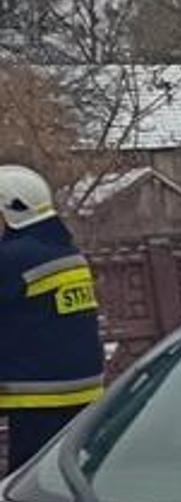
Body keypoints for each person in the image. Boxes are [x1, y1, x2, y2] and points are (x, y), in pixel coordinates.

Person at [0, 165, 105, 473]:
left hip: (38, 396)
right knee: (72, 477)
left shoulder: (13, 258)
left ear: (11, 212)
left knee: (30, 485)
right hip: (82, 391)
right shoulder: (65, 251)